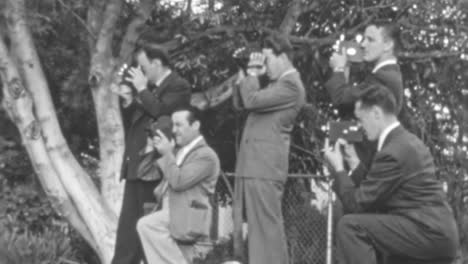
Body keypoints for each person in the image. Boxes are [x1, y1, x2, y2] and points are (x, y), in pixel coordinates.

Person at [323, 83, 459, 264]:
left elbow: (357, 205)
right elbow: (375, 193)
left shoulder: (393, 151)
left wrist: (339, 169)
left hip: (427, 233)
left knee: (351, 227)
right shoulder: (406, 141)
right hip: (435, 232)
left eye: (361, 119)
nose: (360, 126)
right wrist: (354, 162)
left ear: (376, 114)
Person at [110, 41, 191, 264]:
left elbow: (161, 113)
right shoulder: (150, 90)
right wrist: (128, 99)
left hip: (154, 170)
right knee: (127, 234)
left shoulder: (178, 86)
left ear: (156, 63)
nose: (141, 73)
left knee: (147, 233)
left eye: (143, 67)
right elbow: (138, 122)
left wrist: (142, 90)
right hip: (136, 167)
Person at [232, 33, 306, 264]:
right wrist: (245, 76)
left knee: (267, 234)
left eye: (267, 59)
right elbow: (241, 104)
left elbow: (252, 101)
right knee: (258, 235)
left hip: (264, 169)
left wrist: (253, 74)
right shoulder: (275, 85)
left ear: (282, 56)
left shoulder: (291, 85)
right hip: (254, 167)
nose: (264, 66)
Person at [136, 106, 220, 264]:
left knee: (146, 225)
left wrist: (167, 154)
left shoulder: (206, 155)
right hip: (171, 212)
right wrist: (151, 148)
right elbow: (144, 174)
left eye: (179, 125)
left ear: (195, 125)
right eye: (173, 125)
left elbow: (178, 182)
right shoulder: (179, 151)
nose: (174, 130)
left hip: (187, 216)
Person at [325, 21, 404, 185]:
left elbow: (340, 98)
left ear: (388, 45)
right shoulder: (385, 75)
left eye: (370, 39)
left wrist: (339, 69)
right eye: (363, 39)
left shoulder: (383, 78)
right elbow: (348, 105)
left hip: (367, 167)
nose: (362, 44)